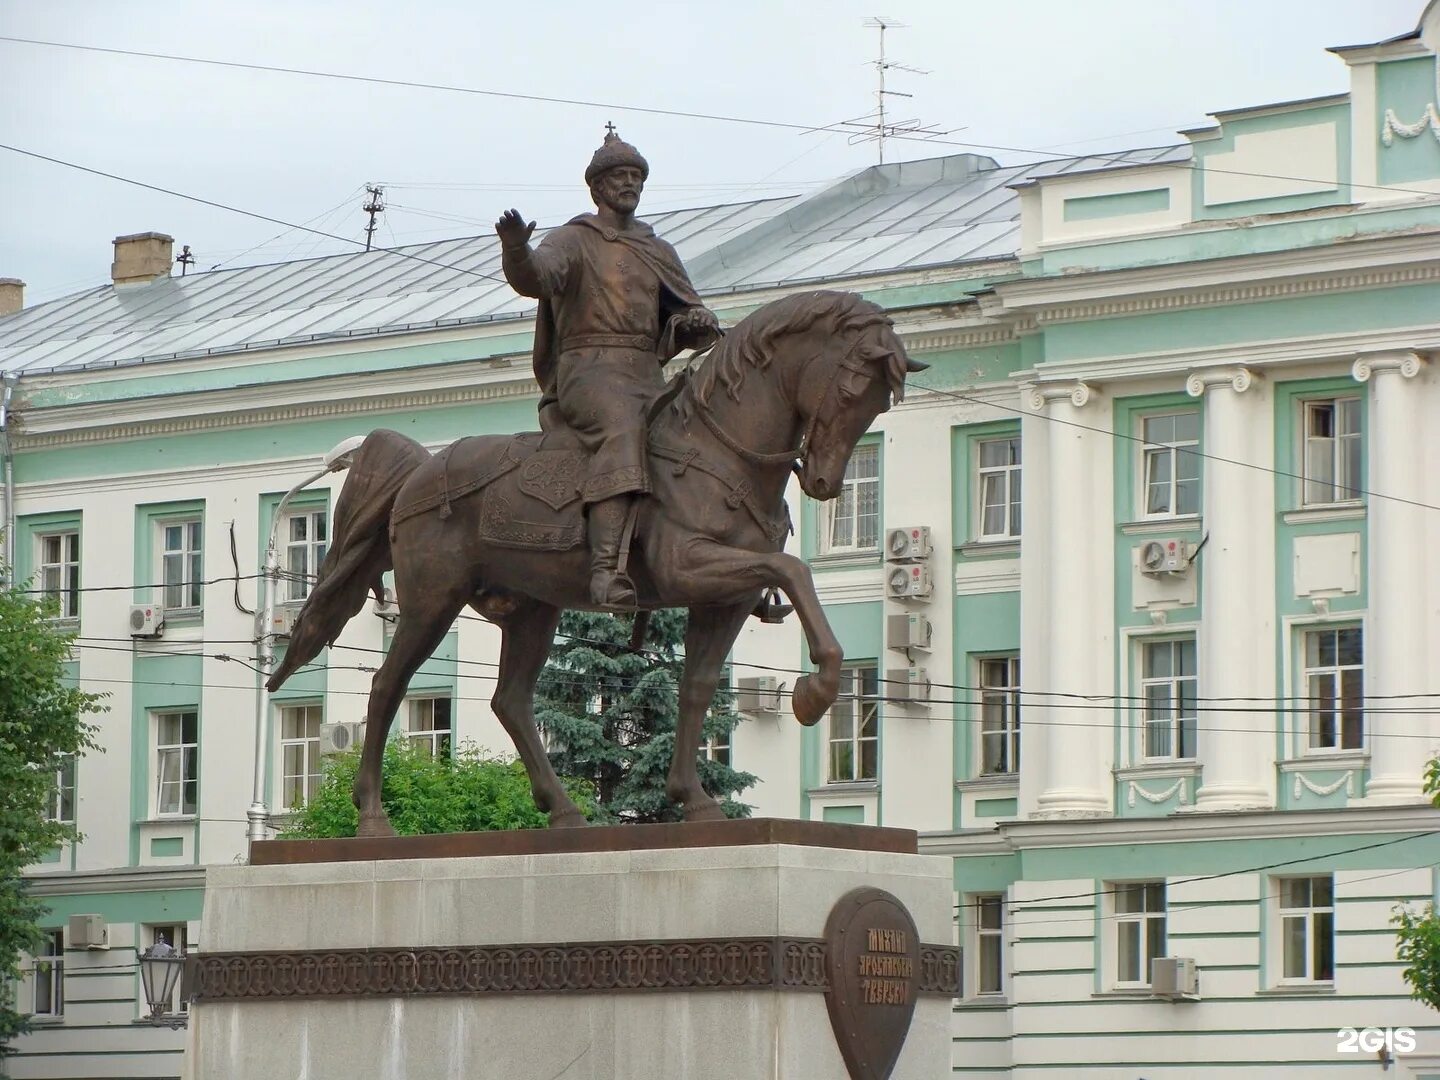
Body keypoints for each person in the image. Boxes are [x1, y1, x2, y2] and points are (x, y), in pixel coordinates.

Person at [496, 128, 721, 608]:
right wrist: (516, 249)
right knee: (624, 427)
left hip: (646, 374)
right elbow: (535, 279)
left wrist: (695, 321)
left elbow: (685, 317)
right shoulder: (575, 240)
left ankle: (728, 555)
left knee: (708, 432)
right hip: (588, 373)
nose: (630, 183)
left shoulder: (657, 251)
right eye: (619, 176)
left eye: (636, 176)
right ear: (596, 187)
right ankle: (604, 571)